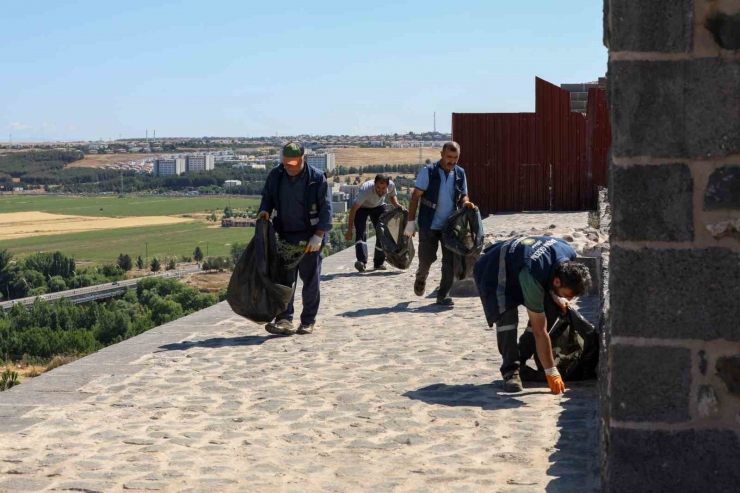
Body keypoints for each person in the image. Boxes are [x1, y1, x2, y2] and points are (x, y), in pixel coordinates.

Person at [473, 236, 592, 394]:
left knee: (551, 310)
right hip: (494, 269)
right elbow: (539, 331)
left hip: (519, 264)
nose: (568, 299)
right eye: (566, 294)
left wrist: (558, 298)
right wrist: (551, 371)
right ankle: (511, 372)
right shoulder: (533, 275)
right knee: (507, 318)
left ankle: (520, 360)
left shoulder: (569, 254)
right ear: (557, 282)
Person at [257, 142, 332, 336]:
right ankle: (284, 319)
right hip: (285, 236)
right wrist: (264, 210)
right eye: (286, 163)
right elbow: (267, 197)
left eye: (293, 164)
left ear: (303, 159)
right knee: (284, 280)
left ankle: (307, 321)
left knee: (310, 281)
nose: (289, 167)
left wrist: (319, 235)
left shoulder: (316, 178)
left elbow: (326, 209)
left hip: (310, 238)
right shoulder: (277, 174)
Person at [404, 141, 475, 306]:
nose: (452, 161)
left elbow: (463, 195)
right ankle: (421, 276)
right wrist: (410, 222)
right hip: (429, 224)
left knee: (449, 262)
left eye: (455, 157)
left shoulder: (459, 173)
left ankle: (443, 295)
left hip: (450, 226)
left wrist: (466, 203)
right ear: (442, 154)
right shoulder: (428, 172)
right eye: (449, 157)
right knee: (426, 258)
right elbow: (415, 197)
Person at [344, 174, 405, 272]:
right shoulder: (366, 189)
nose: (380, 191)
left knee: (382, 232)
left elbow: (392, 197)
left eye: (383, 188)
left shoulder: (391, 185)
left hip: (378, 207)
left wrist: (397, 205)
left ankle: (378, 263)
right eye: (378, 188)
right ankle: (361, 262)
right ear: (374, 184)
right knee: (361, 232)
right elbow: (353, 210)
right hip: (361, 208)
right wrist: (349, 230)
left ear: (388, 185)